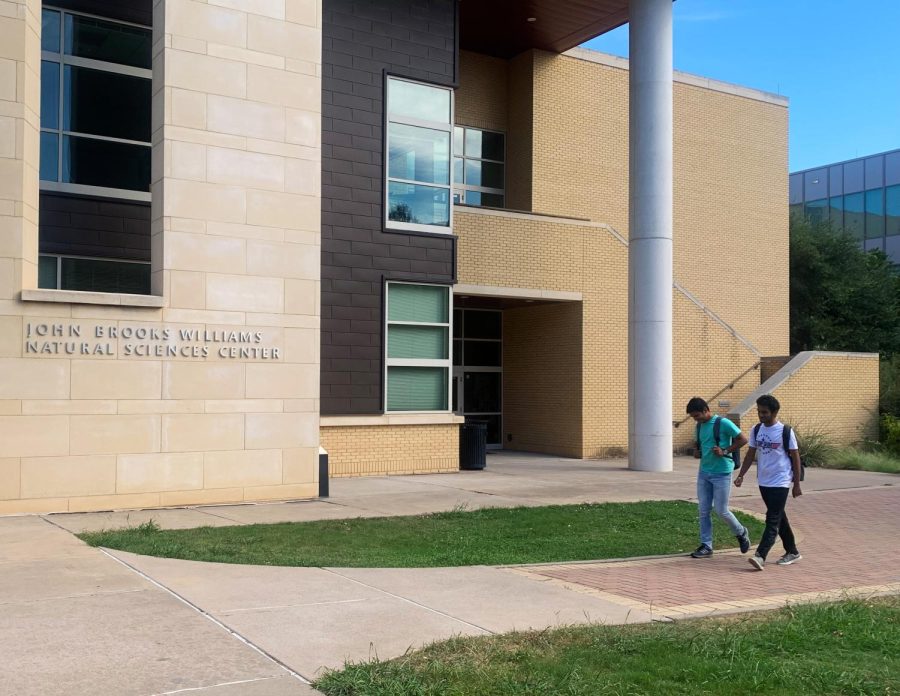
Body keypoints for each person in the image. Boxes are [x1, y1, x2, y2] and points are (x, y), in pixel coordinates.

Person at [734, 394, 803, 570]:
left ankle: (760, 555)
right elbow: (750, 453)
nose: (761, 415)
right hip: (764, 480)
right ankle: (792, 551)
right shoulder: (757, 430)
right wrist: (741, 474)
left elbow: (795, 456)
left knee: (772, 518)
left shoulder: (785, 431)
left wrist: (796, 483)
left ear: (774, 412)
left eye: (764, 412)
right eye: (759, 412)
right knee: (779, 516)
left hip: (781, 480)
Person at [686, 397, 751, 558]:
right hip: (704, 472)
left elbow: (743, 439)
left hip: (722, 472)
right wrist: (696, 450)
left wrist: (725, 450)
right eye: (693, 417)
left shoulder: (723, 423)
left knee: (721, 510)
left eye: (697, 416)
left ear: (706, 410)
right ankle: (706, 545)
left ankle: (741, 532)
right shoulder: (699, 426)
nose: (696, 419)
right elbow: (699, 443)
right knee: (703, 510)